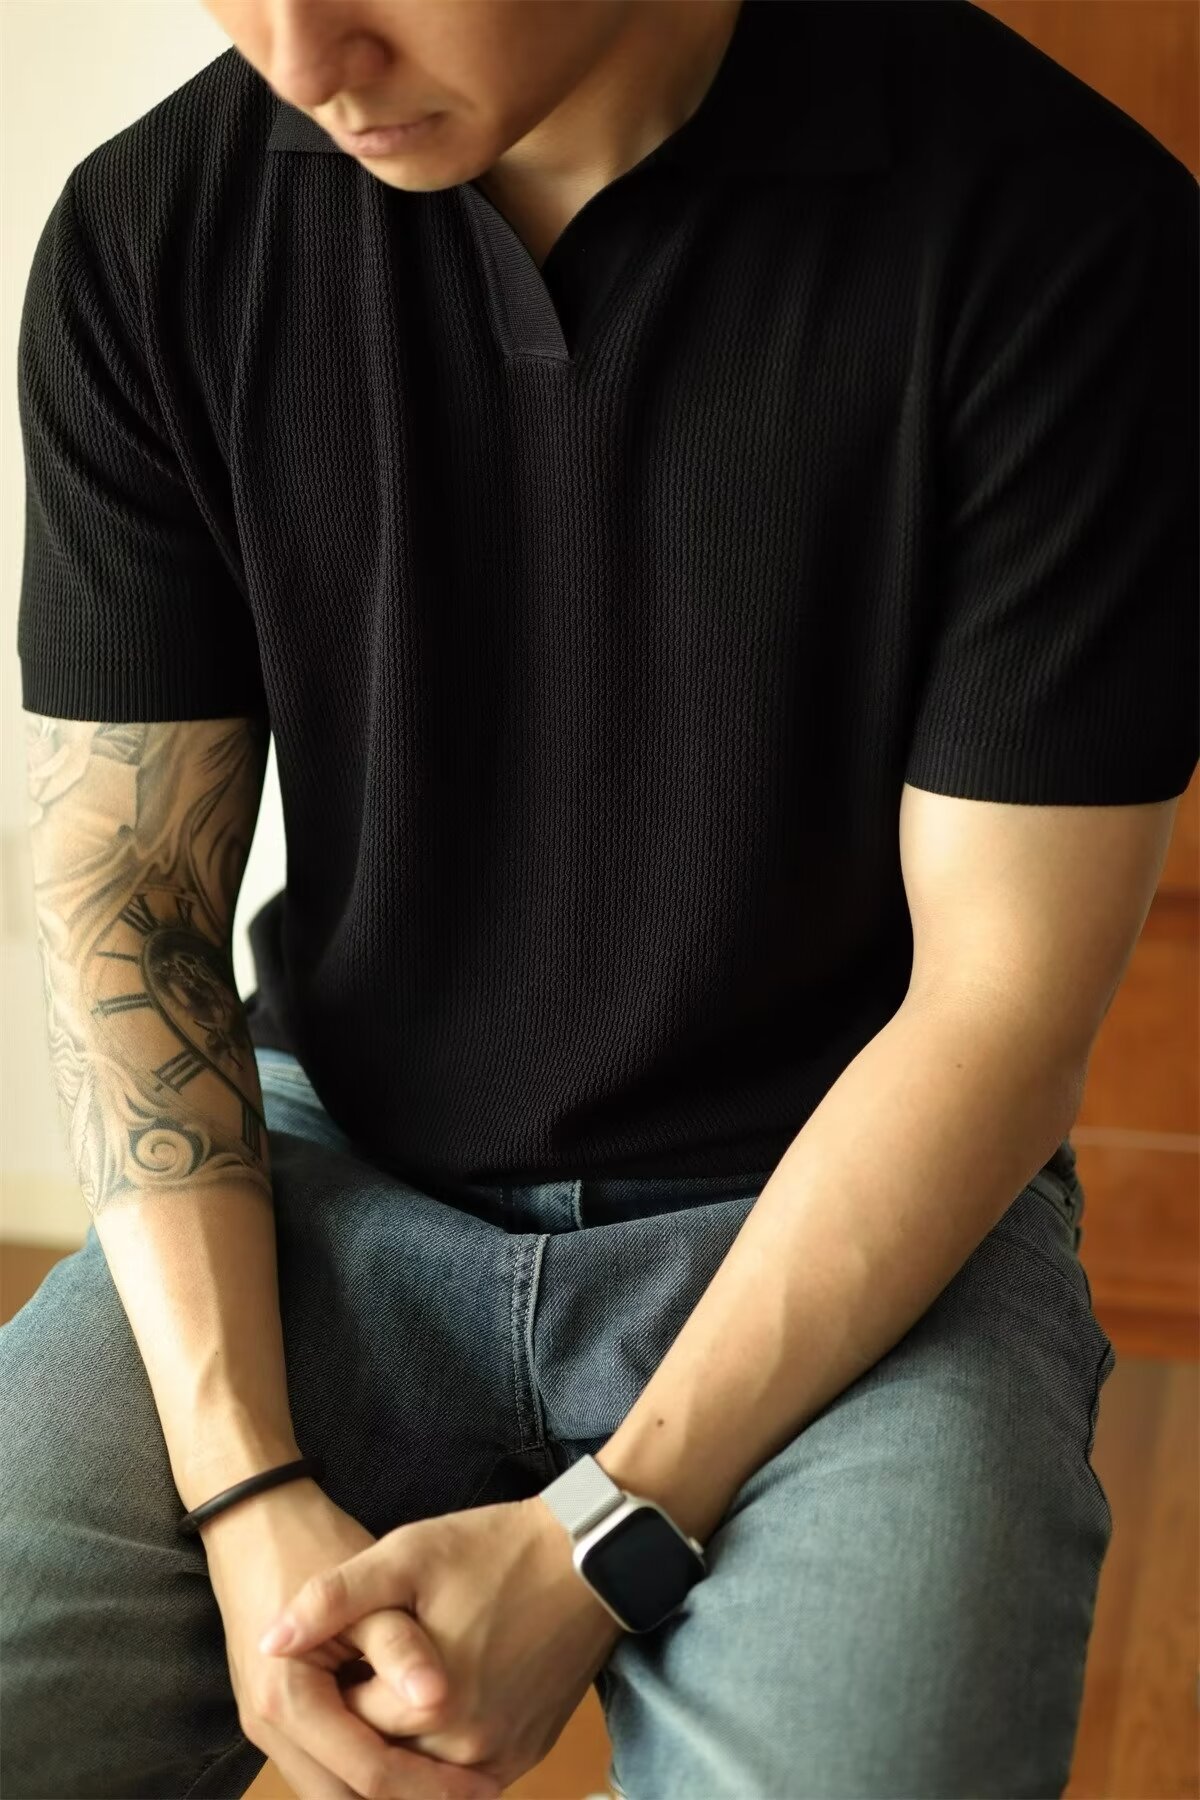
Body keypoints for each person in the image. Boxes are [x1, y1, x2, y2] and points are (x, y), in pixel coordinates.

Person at [4, 0, 1196, 1794]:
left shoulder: (1065, 235)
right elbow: (129, 890)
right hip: (329, 1174)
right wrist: (243, 1488)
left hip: (848, 1220)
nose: (302, 60)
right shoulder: (153, 229)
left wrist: (606, 1537)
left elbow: (1001, 1003)